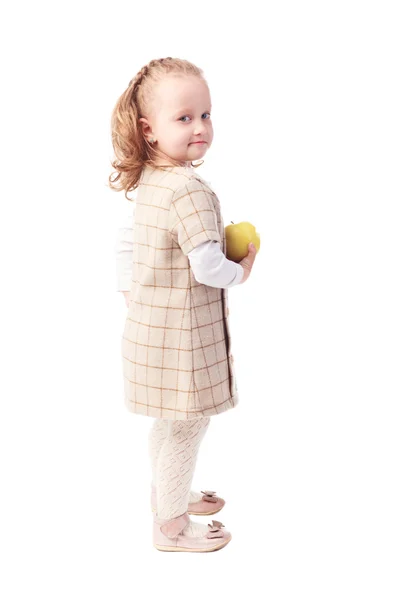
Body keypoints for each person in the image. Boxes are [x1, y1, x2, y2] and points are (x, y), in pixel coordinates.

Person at [109, 57, 257, 552]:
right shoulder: (189, 189)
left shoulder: (151, 181)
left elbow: (128, 245)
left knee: (169, 421)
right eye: (185, 117)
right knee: (186, 426)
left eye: (206, 114)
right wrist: (242, 269)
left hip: (151, 330)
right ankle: (170, 527)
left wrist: (133, 292)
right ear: (150, 130)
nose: (201, 127)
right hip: (185, 341)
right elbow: (206, 267)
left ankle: (169, 493)